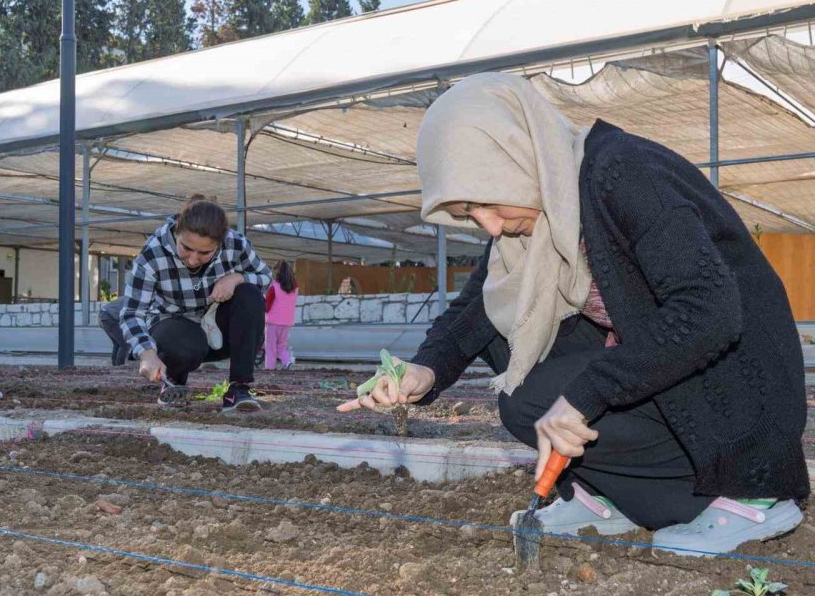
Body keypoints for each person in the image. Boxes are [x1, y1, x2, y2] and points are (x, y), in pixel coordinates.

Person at [338, 73, 808, 557]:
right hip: (673, 384)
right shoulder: (537, 217)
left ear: (516, 153)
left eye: (484, 201)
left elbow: (709, 310)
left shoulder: (622, 173)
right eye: (467, 214)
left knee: (546, 397)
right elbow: (472, 311)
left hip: (743, 389)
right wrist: (424, 371)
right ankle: (614, 497)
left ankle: (756, 488)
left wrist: (585, 394)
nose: (490, 225)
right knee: (516, 355)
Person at [120, 194, 271, 411]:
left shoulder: (236, 244)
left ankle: (238, 389)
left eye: (204, 253)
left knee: (249, 294)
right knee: (183, 346)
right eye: (186, 248)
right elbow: (132, 313)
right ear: (177, 231)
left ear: (219, 244)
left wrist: (237, 278)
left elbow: (265, 277)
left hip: (217, 328)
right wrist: (147, 353)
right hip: (175, 329)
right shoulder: (152, 254)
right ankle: (173, 381)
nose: (193, 259)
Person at [265, 260, 299, 370]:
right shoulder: (295, 288)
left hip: (273, 322)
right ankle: (287, 362)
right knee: (282, 346)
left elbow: (267, 306)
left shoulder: (273, 287)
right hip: (287, 322)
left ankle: (270, 368)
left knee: (270, 347)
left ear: (277, 273)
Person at [99, 296, 132, 366]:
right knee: (125, 344)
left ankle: (115, 365)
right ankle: (119, 365)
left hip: (104, 315)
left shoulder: (127, 297)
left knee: (117, 343)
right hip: (109, 317)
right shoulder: (132, 302)